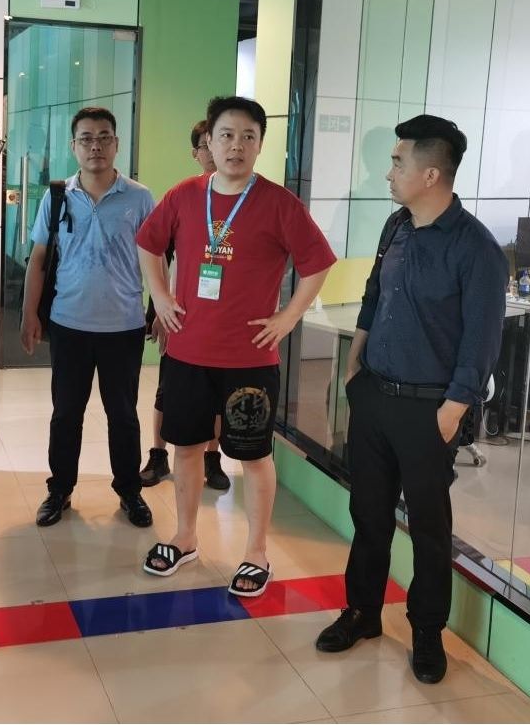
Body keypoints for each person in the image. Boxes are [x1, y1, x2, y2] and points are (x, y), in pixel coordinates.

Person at [314, 115, 507, 686]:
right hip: (374, 394)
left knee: (427, 524)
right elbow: (375, 295)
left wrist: (455, 408)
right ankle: (362, 612)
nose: (389, 172)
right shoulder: (396, 226)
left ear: (430, 174)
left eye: (398, 163)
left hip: (430, 409)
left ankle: (426, 631)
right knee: (368, 514)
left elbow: (482, 339)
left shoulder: (476, 248)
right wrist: (355, 364)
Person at [136, 96, 336, 597]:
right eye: (226, 135)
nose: (236, 145)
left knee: (254, 456)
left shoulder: (279, 203)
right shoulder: (185, 194)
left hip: (250, 356)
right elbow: (148, 243)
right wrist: (161, 296)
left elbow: (318, 263)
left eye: (248, 136)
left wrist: (289, 317)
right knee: (185, 447)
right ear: (209, 140)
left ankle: (256, 552)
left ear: (260, 144)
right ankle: (185, 538)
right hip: (187, 352)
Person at [20, 107, 157, 529]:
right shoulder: (57, 196)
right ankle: (59, 489)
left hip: (124, 326)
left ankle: (129, 491)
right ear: (73, 146)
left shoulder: (140, 197)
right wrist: (28, 314)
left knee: (123, 415)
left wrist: (159, 310)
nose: (95, 145)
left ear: (117, 143)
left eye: (103, 137)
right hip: (69, 325)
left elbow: (156, 260)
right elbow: (38, 259)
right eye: (86, 138)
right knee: (66, 414)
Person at [140, 120, 228, 491]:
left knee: (217, 395)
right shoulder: (184, 198)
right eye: (206, 144)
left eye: (218, 140)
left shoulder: (241, 199)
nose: (214, 150)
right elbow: (157, 254)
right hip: (179, 313)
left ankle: (212, 458)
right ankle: (158, 455)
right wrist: (159, 309)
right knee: (168, 389)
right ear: (196, 153)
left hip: (221, 317)